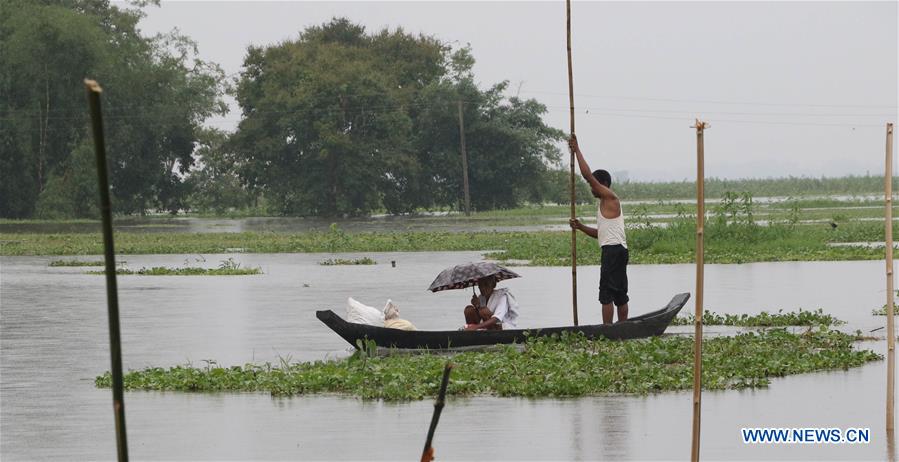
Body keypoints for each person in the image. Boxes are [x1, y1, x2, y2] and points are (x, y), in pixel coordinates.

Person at [568, 135, 629, 324]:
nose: (591, 188)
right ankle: (622, 327)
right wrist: (580, 227)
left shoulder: (610, 197)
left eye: (593, 185)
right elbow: (601, 234)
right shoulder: (605, 203)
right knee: (619, 292)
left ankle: (608, 329)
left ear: (602, 184)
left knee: (607, 293)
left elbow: (587, 175)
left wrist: (576, 150)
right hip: (618, 249)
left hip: (612, 251)